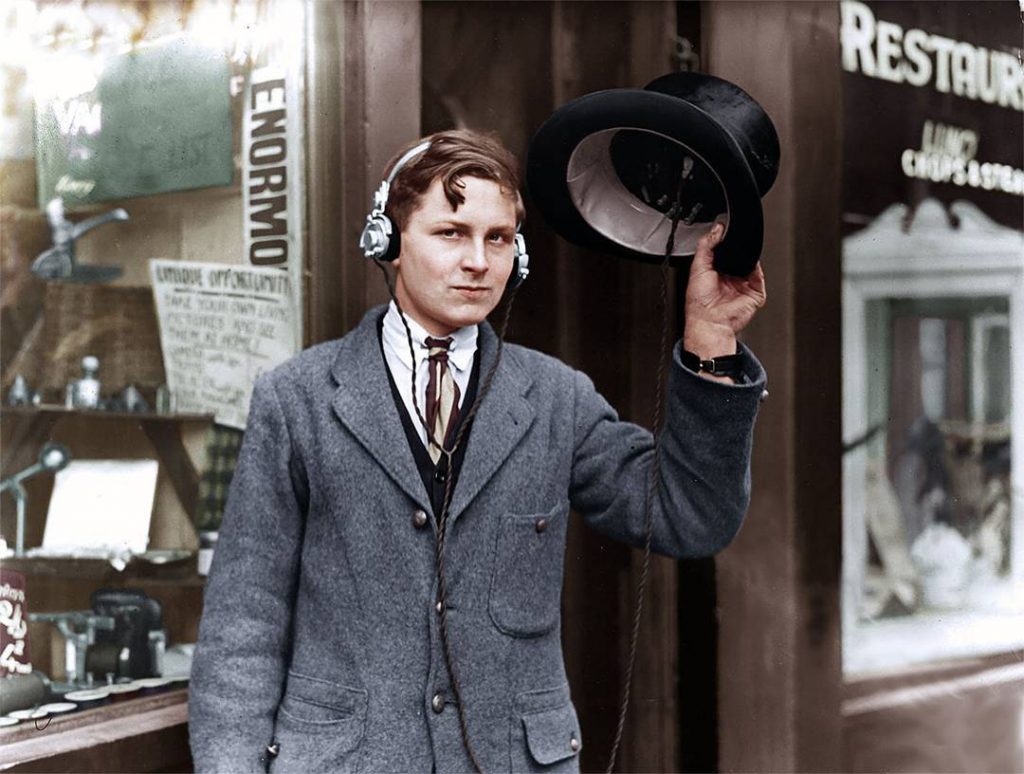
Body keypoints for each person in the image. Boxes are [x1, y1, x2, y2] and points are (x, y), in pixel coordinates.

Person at [188, 129, 767, 773]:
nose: (478, 261)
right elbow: (243, 629)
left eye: (497, 239)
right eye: (451, 233)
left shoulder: (555, 399)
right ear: (388, 241)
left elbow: (691, 514)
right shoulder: (296, 401)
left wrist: (710, 339)